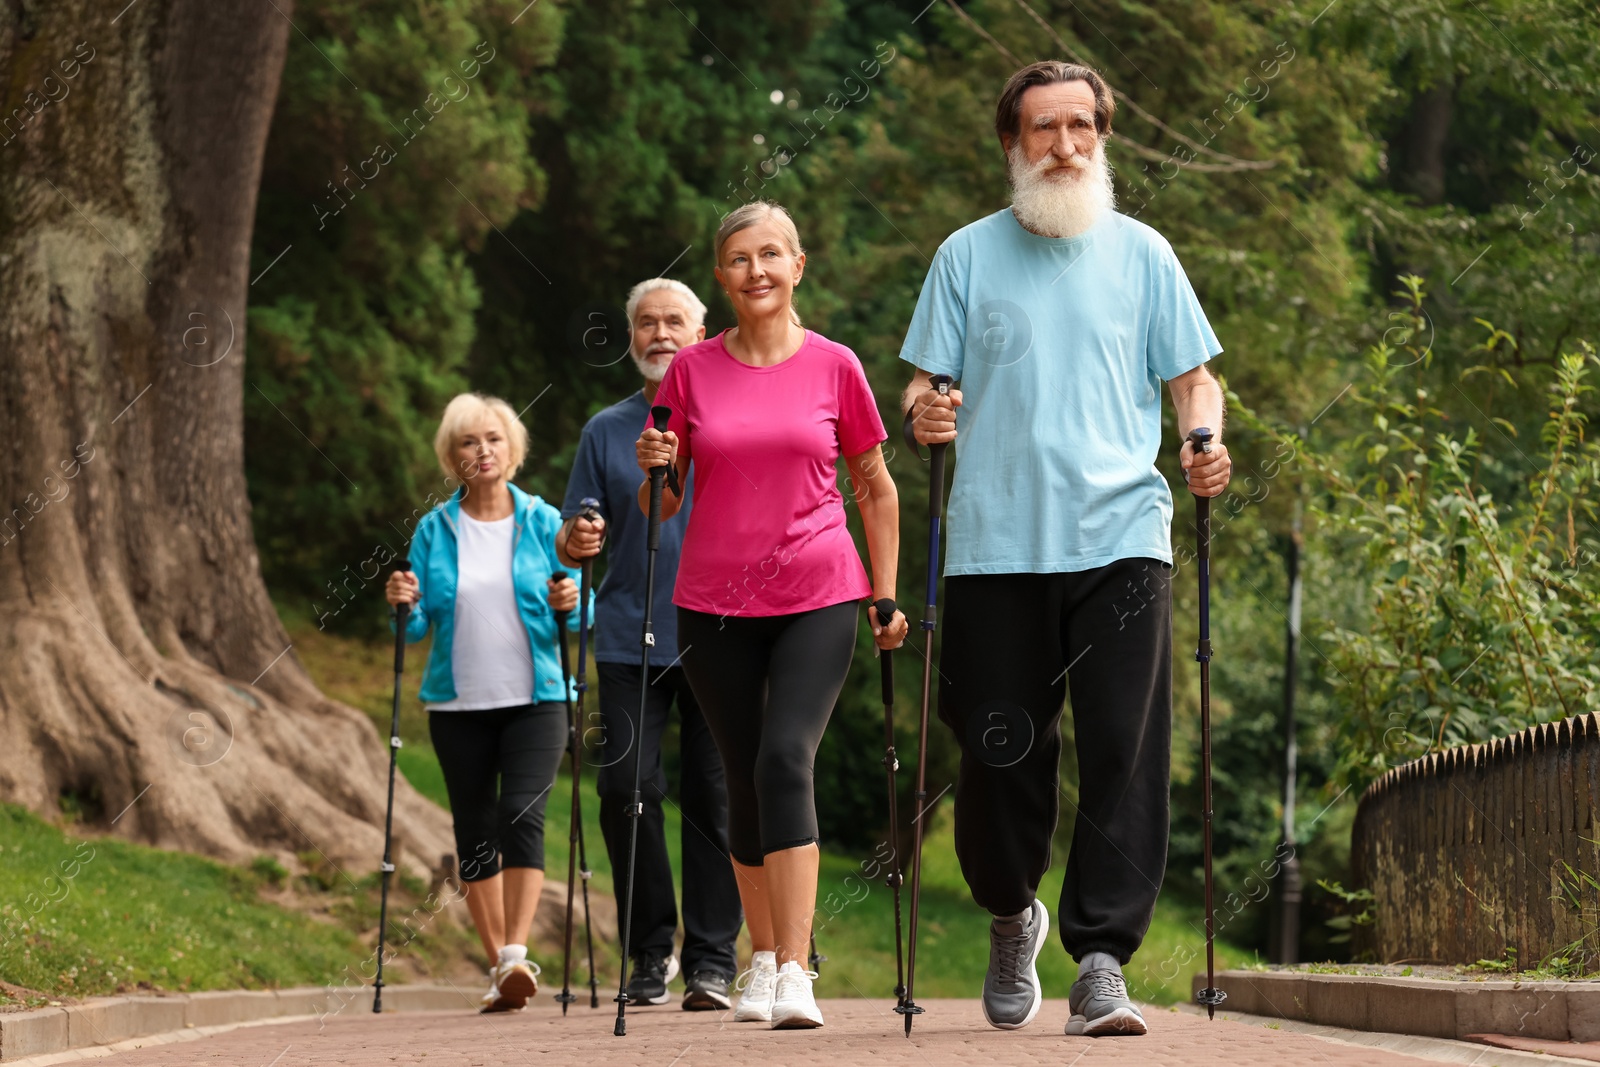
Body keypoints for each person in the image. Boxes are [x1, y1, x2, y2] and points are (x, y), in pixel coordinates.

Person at [899, 61, 1234, 1038]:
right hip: (995, 543)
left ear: (1103, 136)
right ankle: (1011, 909)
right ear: (1012, 145)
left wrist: (1203, 441)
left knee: (1124, 748)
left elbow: (1195, 382)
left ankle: (1099, 959)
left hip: (1122, 535)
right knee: (1002, 750)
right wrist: (925, 413)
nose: (1065, 144)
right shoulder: (964, 255)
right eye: (1043, 128)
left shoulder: (1143, 253)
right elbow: (926, 390)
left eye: (1081, 125)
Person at [634, 201, 909, 1030]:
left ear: (798, 266)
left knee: (786, 755)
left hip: (819, 587)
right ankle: (759, 957)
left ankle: (796, 967)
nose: (756, 270)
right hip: (712, 602)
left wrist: (885, 594)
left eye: (771, 255)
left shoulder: (836, 366)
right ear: (721, 278)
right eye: (739, 259)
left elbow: (874, 485)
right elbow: (663, 503)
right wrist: (655, 469)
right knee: (742, 776)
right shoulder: (689, 373)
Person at [556, 278, 743, 1011]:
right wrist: (580, 537)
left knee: (714, 800)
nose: (659, 333)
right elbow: (576, 531)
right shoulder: (606, 429)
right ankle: (648, 948)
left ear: (700, 333)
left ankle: (711, 958)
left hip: (721, 631)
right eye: (645, 322)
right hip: (631, 634)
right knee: (624, 789)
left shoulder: (730, 418)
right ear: (632, 338)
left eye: (674, 321)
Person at [385, 392, 582, 1014]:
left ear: (512, 450)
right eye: (469, 442)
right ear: (453, 456)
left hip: (538, 697)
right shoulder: (433, 530)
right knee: (473, 832)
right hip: (457, 702)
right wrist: (400, 602)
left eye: (494, 438)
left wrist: (572, 601)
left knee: (522, 814)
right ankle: (500, 964)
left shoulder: (545, 522)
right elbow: (414, 629)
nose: (483, 450)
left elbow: (583, 611)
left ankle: (516, 953)